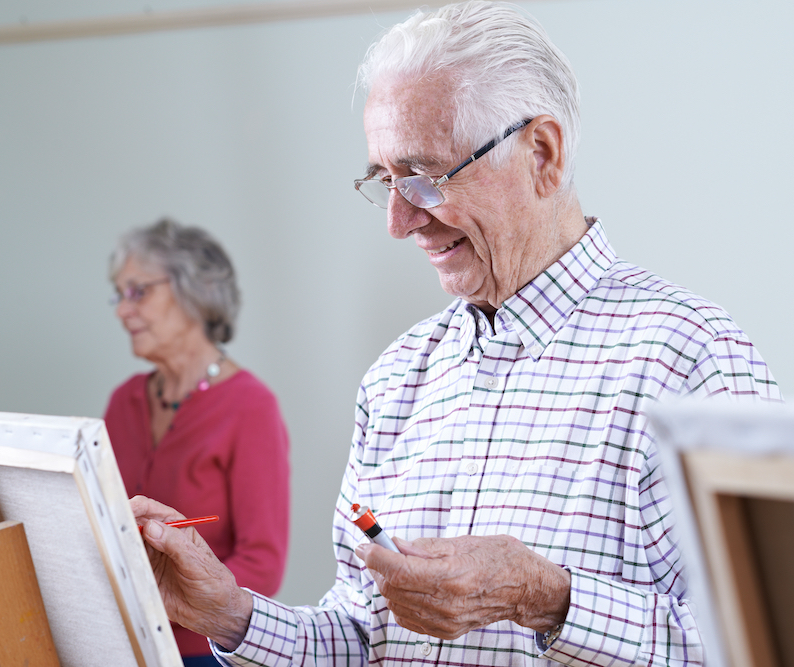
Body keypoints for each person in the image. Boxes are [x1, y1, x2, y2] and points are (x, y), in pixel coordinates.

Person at [130, 3, 781, 666]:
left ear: (543, 154)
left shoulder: (694, 361)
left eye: (423, 176)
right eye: (385, 179)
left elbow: (765, 641)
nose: (398, 221)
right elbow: (361, 636)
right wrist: (230, 612)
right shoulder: (397, 378)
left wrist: (549, 599)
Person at [103, 218, 290, 667]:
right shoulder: (124, 401)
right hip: (119, 644)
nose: (122, 311)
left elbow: (263, 562)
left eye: (138, 291)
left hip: (203, 654)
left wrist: (169, 598)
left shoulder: (250, 406)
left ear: (194, 291)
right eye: (119, 295)